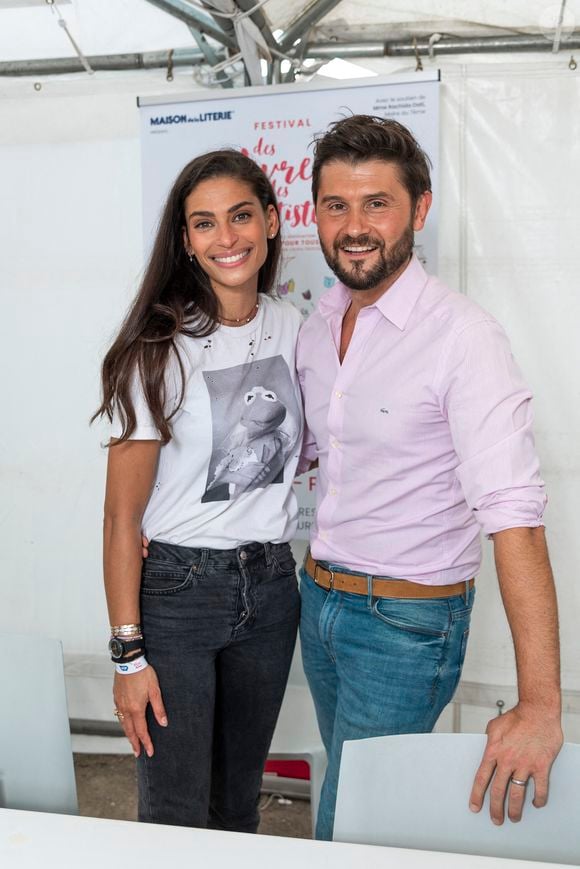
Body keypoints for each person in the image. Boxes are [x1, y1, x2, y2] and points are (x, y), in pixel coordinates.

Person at [296, 115, 562, 840]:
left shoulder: (464, 339)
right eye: (336, 205)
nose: (354, 226)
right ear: (313, 211)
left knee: (352, 826)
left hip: (404, 626)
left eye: (376, 203)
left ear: (419, 208)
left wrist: (540, 704)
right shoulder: (318, 324)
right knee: (353, 789)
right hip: (317, 601)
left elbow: (516, 521)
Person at [92, 149, 303, 831]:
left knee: (236, 805)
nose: (227, 238)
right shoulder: (158, 349)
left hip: (271, 588)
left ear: (271, 221)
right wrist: (129, 654)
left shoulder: (299, 329)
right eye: (205, 224)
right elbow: (122, 517)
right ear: (186, 240)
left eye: (241, 216)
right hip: (180, 592)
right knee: (175, 813)